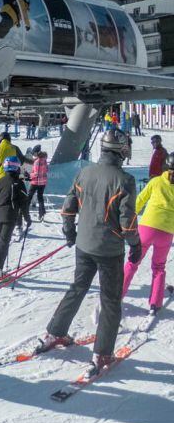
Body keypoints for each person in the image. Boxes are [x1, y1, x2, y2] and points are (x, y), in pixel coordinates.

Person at [37, 129, 141, 378]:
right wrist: (135, 246)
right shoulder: (124, 180)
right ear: (121, 150)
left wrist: (69, 231)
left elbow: (68, 205)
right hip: (109, 250)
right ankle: (103, 352)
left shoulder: (85, 172)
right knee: (110, 300)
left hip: (84, 245)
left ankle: (55, 331)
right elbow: (128, 224)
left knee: (78, 287)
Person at [123, 153, 174, 315]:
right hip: (167, 232)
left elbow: (139, 201)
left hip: (147, 227)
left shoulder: (156, 181)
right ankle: (155, 303)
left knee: (133, 261)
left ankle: (117, 295)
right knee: (159, 267)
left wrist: (127, 221)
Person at [0, 156, 28, 280]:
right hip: (9, 216)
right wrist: (27, 218)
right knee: (4, 242)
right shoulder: (18, 183)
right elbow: (24, 202)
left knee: (1, 240)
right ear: (16, 168)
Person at [28, 149, 49, 221]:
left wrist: (29, 175)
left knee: (29, 196)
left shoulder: (37, 162)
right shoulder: (45, 162)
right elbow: (46, 170)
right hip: (43, 183)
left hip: (35, 182)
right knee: (40, 197)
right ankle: (42, 213)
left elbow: (36, 173)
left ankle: (24, 211)